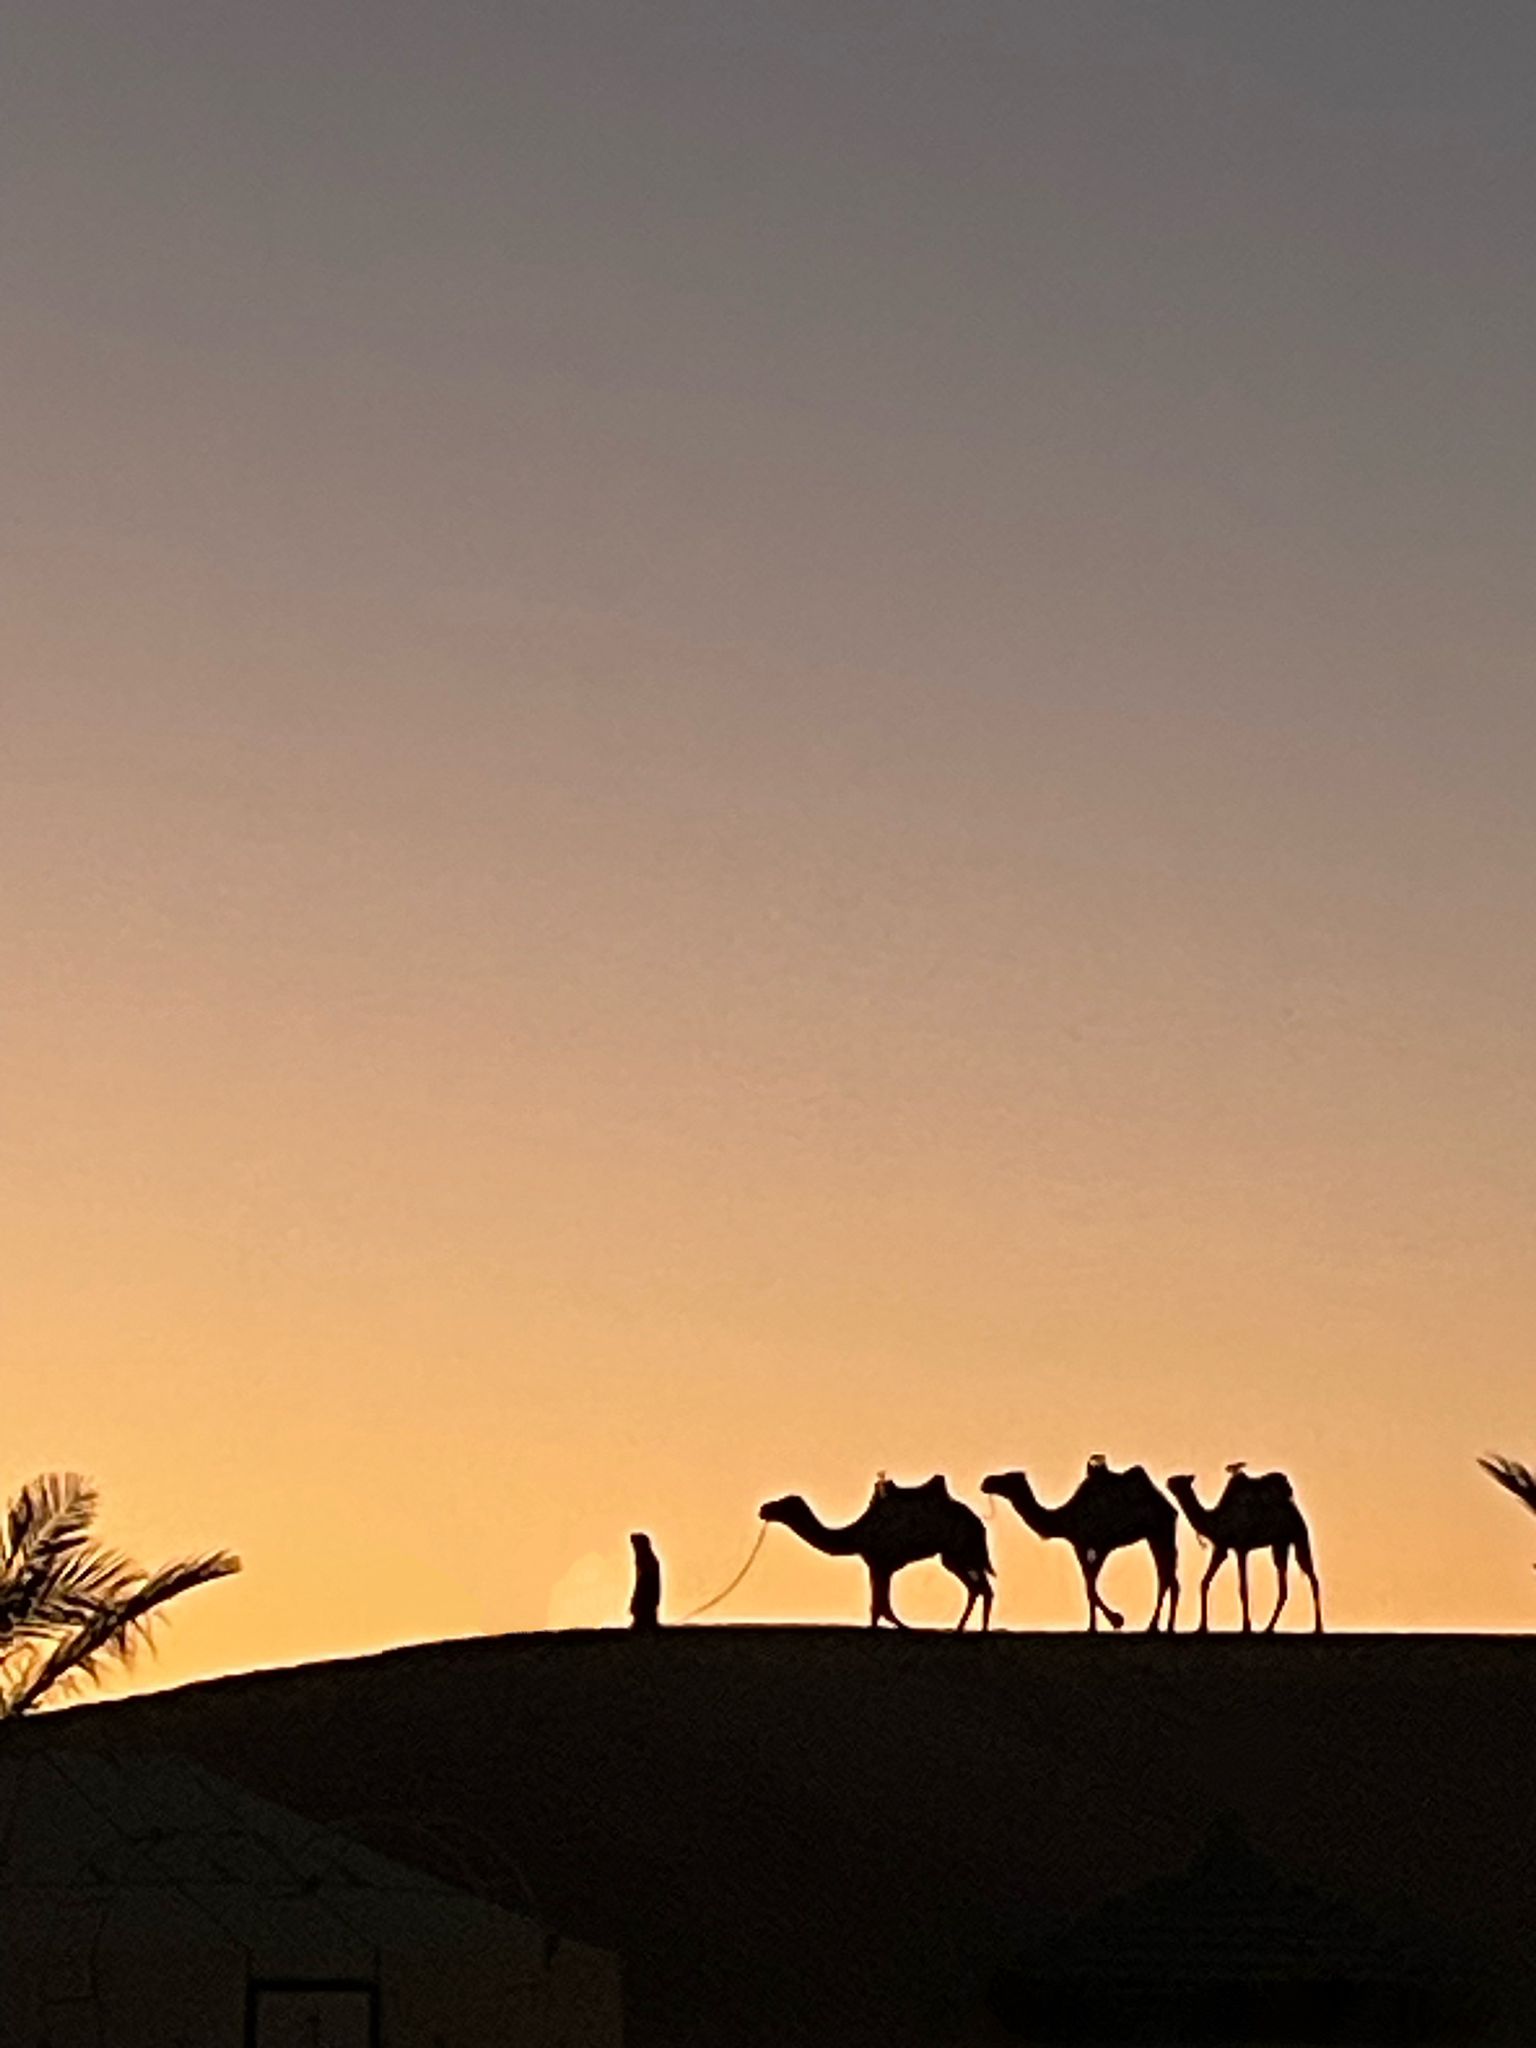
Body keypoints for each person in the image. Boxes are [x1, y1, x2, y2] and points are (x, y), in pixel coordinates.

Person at [629, 1532, 662, 1631]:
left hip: (647, 1598)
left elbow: (646, 1584)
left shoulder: (648, 1562)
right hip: (646, 1597)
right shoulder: (645, 1560)